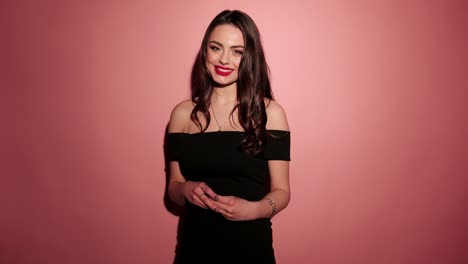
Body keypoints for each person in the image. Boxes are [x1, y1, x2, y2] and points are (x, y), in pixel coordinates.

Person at [166, 9, 290, 263]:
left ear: (250, 57)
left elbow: (282, 191)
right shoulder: (181, 114)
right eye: (216, 48)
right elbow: (174, 188)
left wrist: (253, 209)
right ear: (205, 51)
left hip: (251, 249)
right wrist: (186, 189)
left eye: (237, 51)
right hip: (194, 250)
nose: (224, 59)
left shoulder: (270, 113)